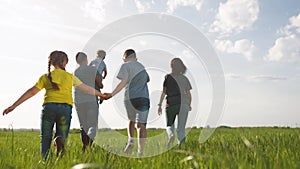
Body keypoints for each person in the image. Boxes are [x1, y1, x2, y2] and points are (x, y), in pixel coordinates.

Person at [2, 51, 106, 160]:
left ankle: (46, 161)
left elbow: (31, 92)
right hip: (66, 108)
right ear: (64, 62)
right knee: (62, 135)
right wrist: (101, 95)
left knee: (45, 138)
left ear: (51, 63)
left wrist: (14, 105)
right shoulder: (70, 77)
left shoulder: (46, 77)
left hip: (48, 107)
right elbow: (87, 89)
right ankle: (59, 144)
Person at [105, 49, 150, 156]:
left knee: (131, 120)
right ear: (135, 58)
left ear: (124, 58)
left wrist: (112, 94)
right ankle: (140, 152)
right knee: (141, 125)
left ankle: (131, 141)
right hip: (143, 97)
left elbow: (123, 81)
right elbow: (148, 79)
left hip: (130, 98)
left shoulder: (125, 65)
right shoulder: (141, 66)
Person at [157, 58, 192, 149]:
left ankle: (171, 135)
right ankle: (181, 147)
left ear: (171, 67)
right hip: (183, 104)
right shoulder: (184, 78)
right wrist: (189, 104)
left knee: (169, 125)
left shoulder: (167, 77)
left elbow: (163, 92)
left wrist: (160, 105)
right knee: (181, 129)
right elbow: (188, 94)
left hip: (170, 104)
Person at [74, 52, 103, 152]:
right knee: (92, 125)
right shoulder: (92, 69)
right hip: (91, 100)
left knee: (83, 126)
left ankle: (85, 147)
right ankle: (90, 140)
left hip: (78, 100)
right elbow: (99, 83)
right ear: (86, 59)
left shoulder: (76, 72)